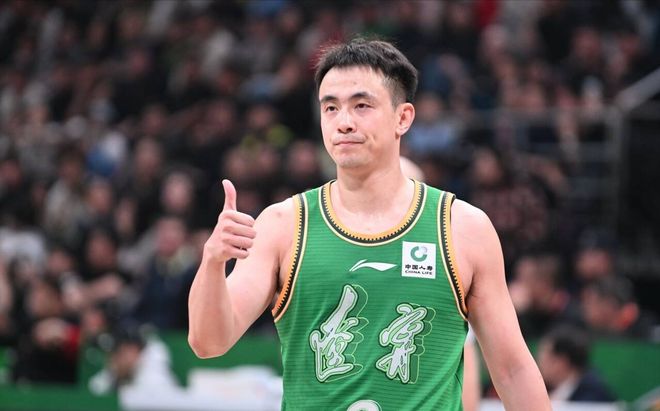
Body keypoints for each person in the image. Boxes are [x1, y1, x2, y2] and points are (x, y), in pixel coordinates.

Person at [188, 38, 551, 410]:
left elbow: (512, 370)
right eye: (331, 108)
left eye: (361, 106)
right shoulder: (283, 225)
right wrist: (213, 261)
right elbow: (207, 342)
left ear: (402, 118)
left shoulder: (464, 228)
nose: (344, 122)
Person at [537, 324, 616, 402]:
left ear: (561, 362)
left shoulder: (594, 397)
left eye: (544, 357)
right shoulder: (545, 390)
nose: (538, 363)